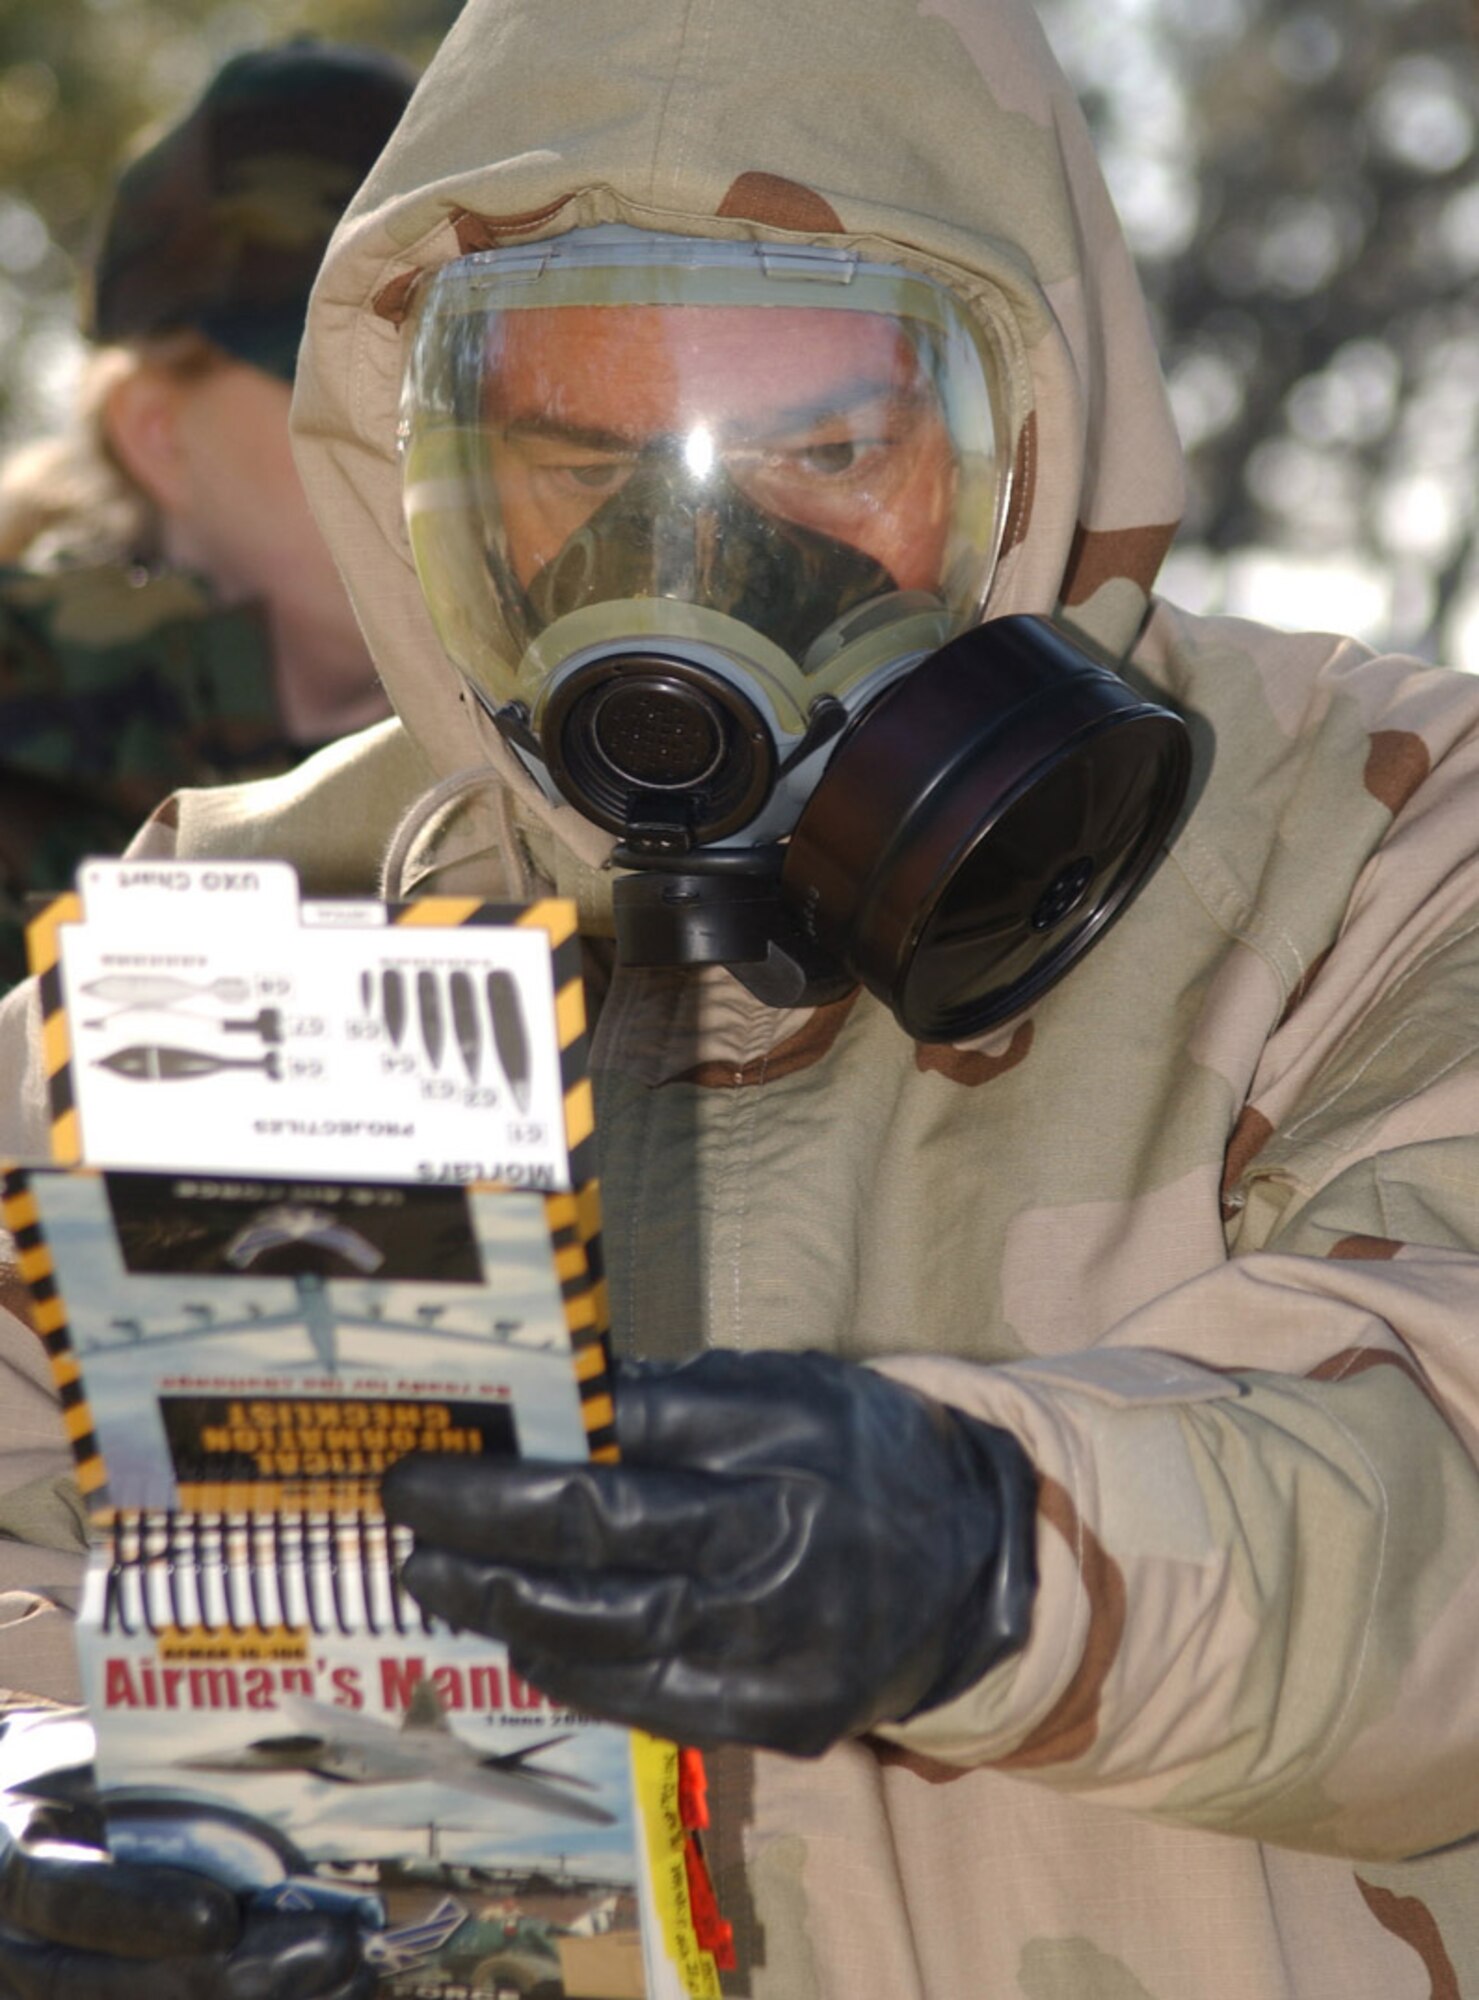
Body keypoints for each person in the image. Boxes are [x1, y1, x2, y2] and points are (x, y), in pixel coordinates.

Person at [3, 0, 1479, 1993]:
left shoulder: (1380, 849)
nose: (685, 562)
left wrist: (988, 1548)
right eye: (571, 454)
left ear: (1022, 435)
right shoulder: (272, 928)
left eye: (823, 448)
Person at [0, 39, 416, 988]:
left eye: (459, 369)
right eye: (343, 380)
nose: (420, 432)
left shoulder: (625, 751)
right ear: (156, 431)